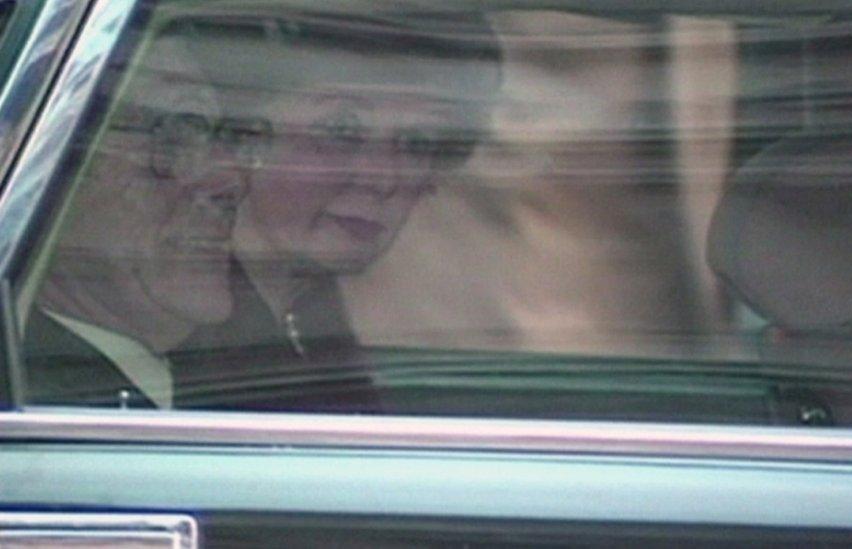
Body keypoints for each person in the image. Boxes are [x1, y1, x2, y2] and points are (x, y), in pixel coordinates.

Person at [173, 11, 501, 411]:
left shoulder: (312, 316)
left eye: (417, 142)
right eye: (340, 131)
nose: (383, 178)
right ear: (242, 140)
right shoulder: (181, 333)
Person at [22, 34, 260, 408]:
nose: (233, 179)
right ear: (49, 165)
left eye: (229, 138)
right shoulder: (45, 411)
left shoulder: (247, 372)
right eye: (176, 137)